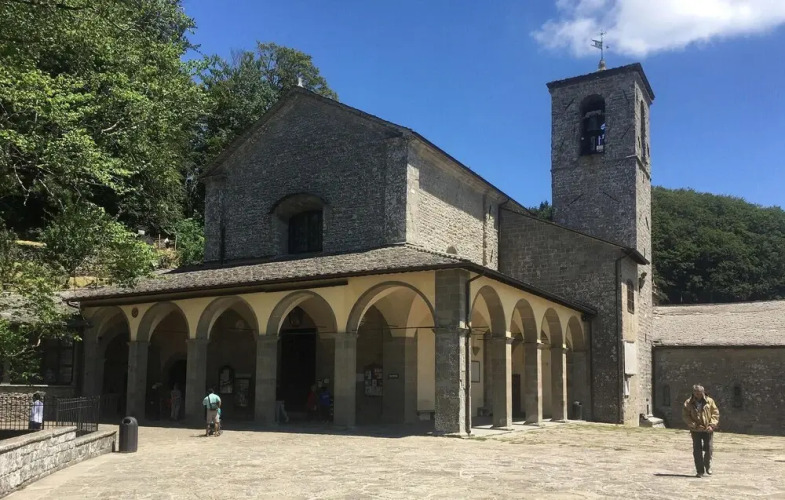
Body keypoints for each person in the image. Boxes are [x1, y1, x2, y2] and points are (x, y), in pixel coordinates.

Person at [682, 384, 720, 477]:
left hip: (708, 430)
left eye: (700, 393)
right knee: (697, 450)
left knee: (709, 448)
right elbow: (686, 416)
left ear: (703, 392)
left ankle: (707, 465)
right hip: (696, 431)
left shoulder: (710, 401)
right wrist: (694, 425)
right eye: (696, 393)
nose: (698, 395)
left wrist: (711, 425)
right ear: (693, 393)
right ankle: (700, 471)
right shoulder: (688, 403)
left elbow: (715, 413)